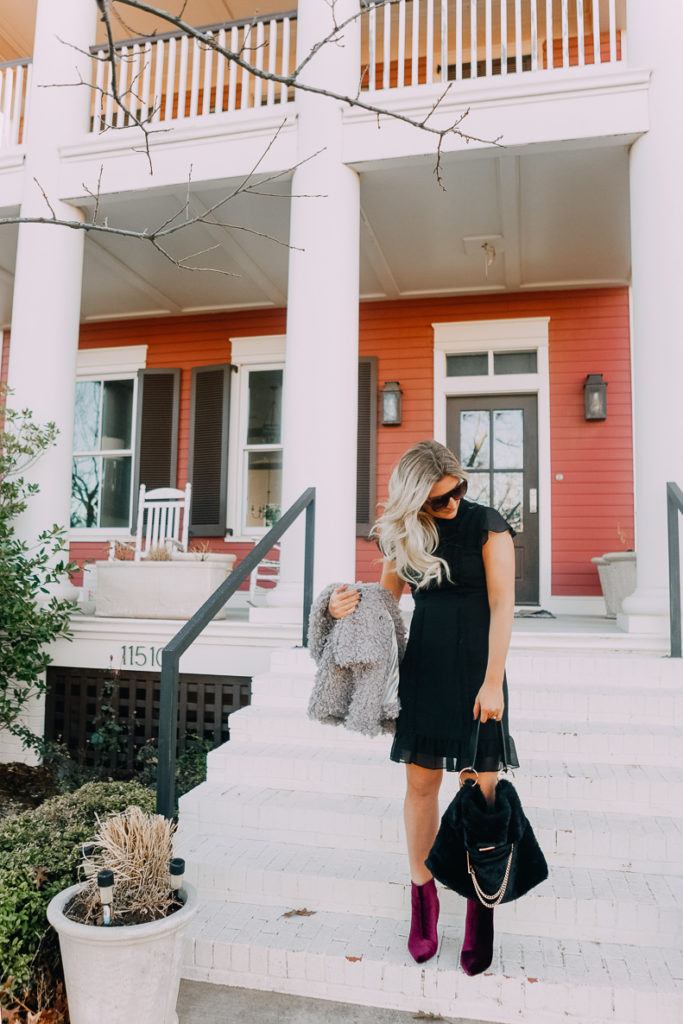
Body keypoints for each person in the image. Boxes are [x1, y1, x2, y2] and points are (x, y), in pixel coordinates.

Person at [328, 439, 518, 975]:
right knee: (419, 786)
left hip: (481, 674)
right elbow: (384, 604)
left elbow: (504, 604)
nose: (453, 504)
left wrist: (494, 682)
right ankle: (423, 898)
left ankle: (480, 910)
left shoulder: (489, 525)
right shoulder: (405, 534)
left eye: (458, 490)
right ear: (414, 502)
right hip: (426, 671)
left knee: (481, 790)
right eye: (439, 499)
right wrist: (340, 603)